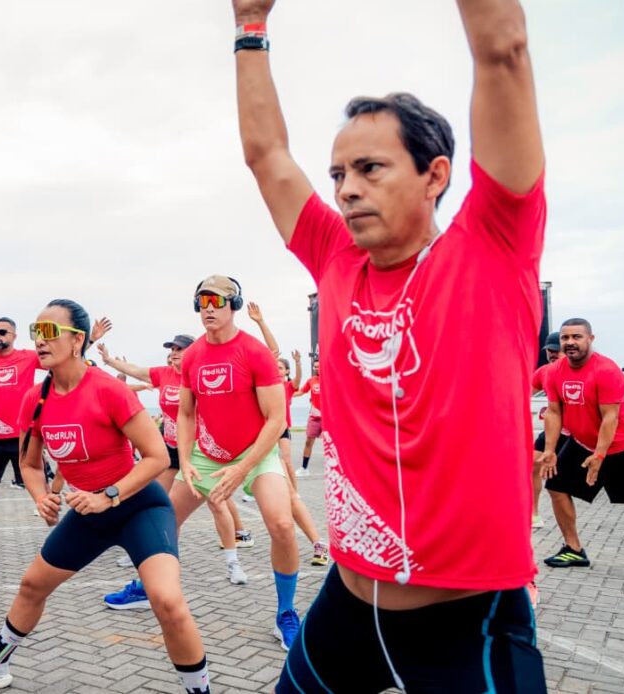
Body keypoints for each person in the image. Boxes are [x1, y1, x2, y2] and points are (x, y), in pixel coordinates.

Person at [232, 0, 547, 687]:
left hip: (469, 623)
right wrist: (249, 25)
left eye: (370, 169)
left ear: (435, 176)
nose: (345, 190)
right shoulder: (335, 257)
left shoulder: (494, 247)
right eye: (339, 175)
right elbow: (266, 157)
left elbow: (503, 51)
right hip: (347, 608)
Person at [0, 300, 213, 694]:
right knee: (32, 586)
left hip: (138, 505)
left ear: (77, 340)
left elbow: (156, 457)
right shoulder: (35, 399)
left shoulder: (108, 390)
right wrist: (39, 497)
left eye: (49, 332)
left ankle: (199, 689)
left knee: (167, 601)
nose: (39, 340)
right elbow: (30, 465)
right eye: (36, 332)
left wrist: (110, 494)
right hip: (88, 512)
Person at [172, 277, 302, 649]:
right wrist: (185, 459)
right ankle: (147, 585)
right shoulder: (193, 354)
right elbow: (185, 413)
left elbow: (277, 420)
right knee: (164, 518)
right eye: (202, 301)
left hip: (256, 456)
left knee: (281, 524)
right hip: (207, 456)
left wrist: (243, 469)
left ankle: (286, 614)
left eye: (216, 300)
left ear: (235, 305)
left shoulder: (255, 352)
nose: (208, 307)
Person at [98, 333, 255, 596]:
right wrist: (110, 361)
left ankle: (233, 563)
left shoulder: (202, 374)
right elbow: (135, 370)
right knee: (161, 507)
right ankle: (158, 560)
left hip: (200, 453)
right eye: (171, 349)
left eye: (180, 349)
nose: (174, 353)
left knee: (217, 504)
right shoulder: (163, 374)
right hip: (170, 450)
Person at [0, 316, 110, 562]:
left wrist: (89, 340)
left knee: (40, 491)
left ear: (14, 336)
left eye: (3, 332)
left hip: (24, 436)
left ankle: (62, 540)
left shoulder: (28, 357)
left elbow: (63, 356)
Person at [539, 319, 624, 564]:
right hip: (582, 443)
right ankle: (573, 549)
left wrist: (600, 456)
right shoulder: (554, 372)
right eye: (565, 338)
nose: (570, 342)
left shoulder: (606, 369)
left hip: (620, 445)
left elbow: (610, 417)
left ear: (590, 339)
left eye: (577, 337)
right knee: (556, 486)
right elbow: (554, 412)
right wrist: (550, 450)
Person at [246, 302, 329, 566]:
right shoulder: (235, 376)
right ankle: (236, 544)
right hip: (229, 447)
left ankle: (319, 543)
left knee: (288, 499)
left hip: (267, 440)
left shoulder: (270, 377)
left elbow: (272, 352)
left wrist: (260, 322)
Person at [531, 331, 566, 529]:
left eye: (556, 350)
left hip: (585, 429)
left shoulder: (578, 369)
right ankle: (534, 515)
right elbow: (524, 391)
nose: (553, 354)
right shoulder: (544, 372)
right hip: (556, 428)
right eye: (549, 351)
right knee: (533, 465)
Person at [294, 356, 321, 476]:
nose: (317, 368)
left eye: (319, 366)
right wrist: (287, 393)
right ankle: (304, 469)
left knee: (334, 444)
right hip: (314, 418)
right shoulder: (312, 380)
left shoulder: (332, 378)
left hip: (329, 418)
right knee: (309, 441)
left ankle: (341, 470)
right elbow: (301, 392)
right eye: (315, 367)